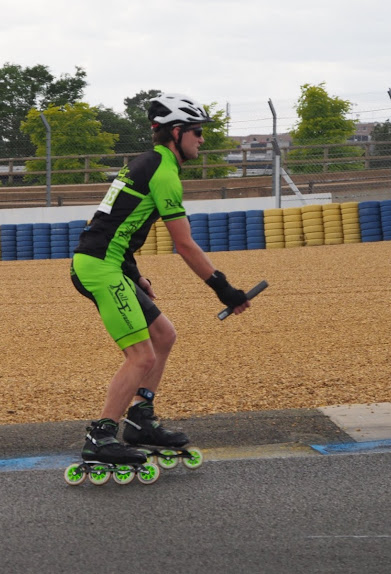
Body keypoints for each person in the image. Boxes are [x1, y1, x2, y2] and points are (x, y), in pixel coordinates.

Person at [70, 93, 251, 465]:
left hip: (110, 262)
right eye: (197, 132)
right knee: (140, 355)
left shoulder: (147, 163)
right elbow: (184, 245)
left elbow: (118, 222)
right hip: (101, 267)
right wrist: (226, 291)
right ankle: (100, 436)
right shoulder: (163, 172)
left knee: (164, 335)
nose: (203, 139)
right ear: (176, 132)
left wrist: (134, 274)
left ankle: (140, 421)